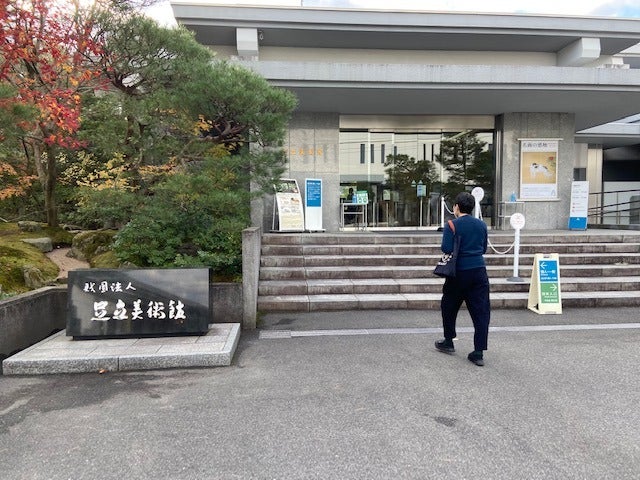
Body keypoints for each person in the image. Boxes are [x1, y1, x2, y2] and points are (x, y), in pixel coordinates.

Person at [434, 191, 490, 366]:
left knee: (449, 306)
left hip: (458, 272)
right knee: (481, 311)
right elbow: (483, 249)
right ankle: (478, 352)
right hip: (479, 271)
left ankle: (448, 340)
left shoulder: (451, 225)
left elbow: (446, 248)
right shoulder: (481, 225)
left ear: (456, 207)